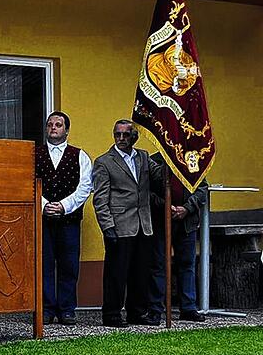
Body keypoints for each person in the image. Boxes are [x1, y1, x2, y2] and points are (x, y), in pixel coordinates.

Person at [93, 119, 161, 328]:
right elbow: (100, 198)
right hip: (119, 224)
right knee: (116, 274)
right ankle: (112, 314)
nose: (121, 138)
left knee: (140, 272)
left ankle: (137, 312)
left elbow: (159, 176)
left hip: (143, 223)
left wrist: (171, 156)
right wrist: (107, 226)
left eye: (125, 135)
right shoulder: (104, 161)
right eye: (117, 134)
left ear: (134, 136)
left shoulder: (143, 157)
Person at [35, 112, 92, 325]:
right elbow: (28, 183)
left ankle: (67, 309)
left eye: (58, 125)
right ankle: (47, 309)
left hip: (69, 221)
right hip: (43, 220)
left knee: (69, 266)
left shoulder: (80, 155)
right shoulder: (34, 154)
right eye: (50, 124)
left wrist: (63, 206)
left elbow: (85, 186)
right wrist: (44, 206)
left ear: (66, 130)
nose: (53, 128)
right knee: (45, 265)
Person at [147, 152, 208, 323]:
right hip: (160, 221)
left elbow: (202, 189)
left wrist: (187, 208)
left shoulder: (192, 160)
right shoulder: (155, 161)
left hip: (186, 222)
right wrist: (166, 206)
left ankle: (188, 307)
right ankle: (155, 308)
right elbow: (146, 191)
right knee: (158, 264)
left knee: (187, 264)